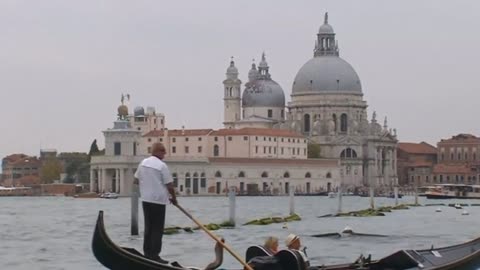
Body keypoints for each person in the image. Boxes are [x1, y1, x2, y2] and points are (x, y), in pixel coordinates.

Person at [134, 142, 177, 263]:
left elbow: (136, 180)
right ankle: (155, 256)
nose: (165, 153)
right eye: (163, 151)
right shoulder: (162, 166)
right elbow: (170, 185)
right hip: (158, 201)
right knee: (157, 229)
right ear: (157, 151)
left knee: (149, 227)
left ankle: (147, 253)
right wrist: (174, 198)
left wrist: (148, 184)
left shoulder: (143, 163)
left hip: (146, 199)